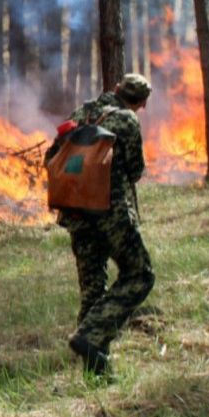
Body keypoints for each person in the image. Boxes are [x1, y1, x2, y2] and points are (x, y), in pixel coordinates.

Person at [46, 73, 155, 379]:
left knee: (92, 290)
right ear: (140, 102)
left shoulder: (81, 113)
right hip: (111, 213)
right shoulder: (127, 121)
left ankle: (96, 373)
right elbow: (135, 170)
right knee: (140, 275)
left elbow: (51, 157)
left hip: (76, 214)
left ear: (116, 89)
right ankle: (91, 336)